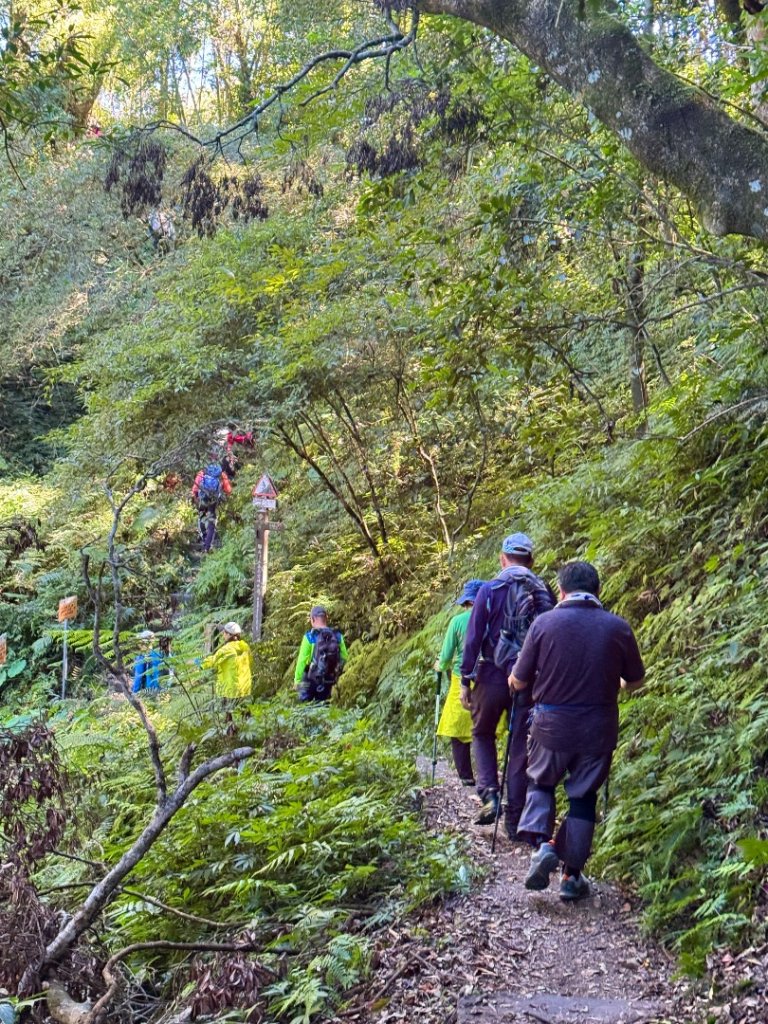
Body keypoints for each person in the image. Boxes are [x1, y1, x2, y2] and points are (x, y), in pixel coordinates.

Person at [510, 560, 645, 901]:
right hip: (597, 729)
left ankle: (542, 847)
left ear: (561, 591)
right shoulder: (617, 627)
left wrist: (513, 680)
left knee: (541, 783)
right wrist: (617, 684)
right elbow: (635, 681)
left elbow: (520, 679)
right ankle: (571, 877)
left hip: (551, 726)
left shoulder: (544, 624)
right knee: (583, 797)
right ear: (598, 590)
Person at [459, 533, 555, 832]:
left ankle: (490, 793)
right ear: (531, 561)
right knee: (519, 746)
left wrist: (465, 680)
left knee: (482, 732)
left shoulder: (489, 590)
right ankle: (515, 821)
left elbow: (473, 638)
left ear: (502, 559)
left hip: (491, 675)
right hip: (530, 679)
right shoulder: (544, 590)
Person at [434, 579, 485, 787]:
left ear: (468, 601)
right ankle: (487, 774)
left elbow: (446, 655)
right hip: (487, 679)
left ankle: (466, 776)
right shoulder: (492, 618)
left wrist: (440, 665)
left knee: (458, 727)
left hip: (460, 679)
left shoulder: (457, 621)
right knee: (484, 726)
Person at [294, 606, 348, 703]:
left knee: (304, 704)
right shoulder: (337, 636)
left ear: (312, 619)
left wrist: (297, 682)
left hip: (312, 682)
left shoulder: (309, 637)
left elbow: (302, 662)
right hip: (332, 681)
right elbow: (345, 658)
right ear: (326, 618)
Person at [201, 621, 253, 699]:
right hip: (244, 689)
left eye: (225, 632)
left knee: (228, 707)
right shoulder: (245, 647)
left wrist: (197, 662)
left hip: (229, 690)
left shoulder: (226, 650)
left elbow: (211, 662)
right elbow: (250, 662)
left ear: (229, 635)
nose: (223, 635)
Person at [191, 460, 232, 552]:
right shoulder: (221, 474)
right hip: (213, 501)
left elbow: (194, 489)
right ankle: (207, 546)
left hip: (202, 500)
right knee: (211, 523)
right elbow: (229, 490)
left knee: (201, 518)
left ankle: (204, 539)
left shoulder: (202, 473)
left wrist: (196, 498)